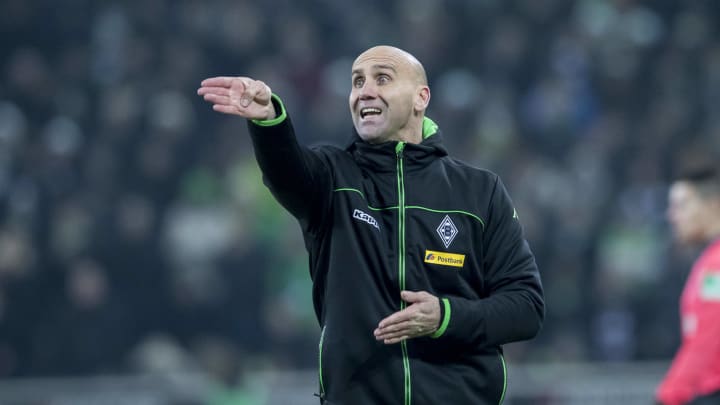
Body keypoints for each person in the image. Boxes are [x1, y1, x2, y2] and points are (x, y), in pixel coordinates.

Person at [198, 45, 544, 405]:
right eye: (357, 81)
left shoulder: (479, 191)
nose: (364, 91)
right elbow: (287, 173)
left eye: (382, 79)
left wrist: (445, 315)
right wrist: (269, 121)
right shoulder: (332, 178)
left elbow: (526, 308)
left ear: (420, 97)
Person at [656, 164, 720, 405]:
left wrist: (669, 395)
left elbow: (708, 338)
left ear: (712, 205)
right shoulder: (710, 260)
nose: (672, 215)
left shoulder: (716, 267)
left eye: (681, 205)